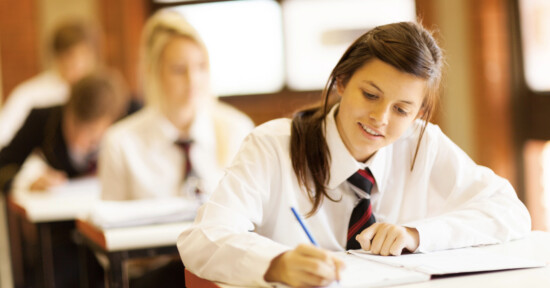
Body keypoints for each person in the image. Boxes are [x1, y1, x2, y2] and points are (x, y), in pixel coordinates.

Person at [177, 21, 531, 288]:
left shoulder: (423, 145)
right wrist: (277, 263)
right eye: (370, 95)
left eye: (402, 109)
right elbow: (203, 238)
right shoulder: (272, 146)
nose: (381, 118)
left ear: (419, 113)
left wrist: (416, 234)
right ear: (343, 82)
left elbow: (509, 211)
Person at [97, 10, 254, 287]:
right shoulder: (121, 142)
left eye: (201, 67)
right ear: (155, 73)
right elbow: (107, 243)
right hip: (154, 275)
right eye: (179, 70)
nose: (193, 80)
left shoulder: (236, 128)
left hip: (225, 274)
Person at [0, 70, 127, 195]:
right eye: (75, 125)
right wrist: (28, 181)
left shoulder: (128, 121)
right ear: (66, 107)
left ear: (112, 122)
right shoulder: (42, 119)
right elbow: (4, 164)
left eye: (92, 132)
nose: (80, 140)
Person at [0, 19, 100, 148]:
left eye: (84, 55)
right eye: (71, 56)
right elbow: (3, 139)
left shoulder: (101, 95)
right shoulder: (29, 95)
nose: (78, 63)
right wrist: (35, 168)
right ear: (58, 57)